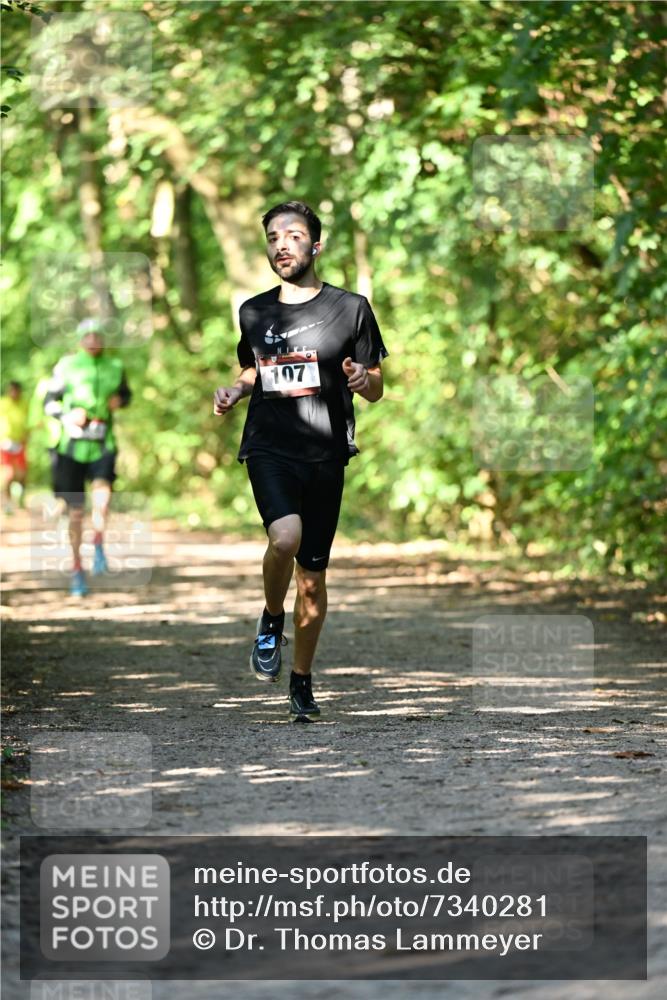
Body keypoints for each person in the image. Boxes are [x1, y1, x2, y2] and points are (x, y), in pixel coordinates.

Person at [214, 200, 388, 721]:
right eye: (272, 237)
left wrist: (363, 381)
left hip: (326, 454)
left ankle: (302, 679)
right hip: (269, 445)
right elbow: (254, 370)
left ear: (316, 244)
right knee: (283, 538)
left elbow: (377, 385)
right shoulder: (254, 311)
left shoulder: (352, 308)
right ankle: (271, 618)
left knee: (312, 581)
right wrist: (235, 391)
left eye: (291, 235)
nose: (280, 244)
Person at [43, 319, 132, 596]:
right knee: (76, 513)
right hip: (71, 447)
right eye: (87, 336)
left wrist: (120, 401)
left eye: (97, 335)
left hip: (103, 442)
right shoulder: (66, 366)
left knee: (102, 498)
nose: (93, 340)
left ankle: (98, 542)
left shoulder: (115, 367)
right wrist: (68, 415)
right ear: (80, 339)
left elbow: (126, 395)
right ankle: (78, 569)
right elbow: (48, 403)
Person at [0, 381, 29, 512]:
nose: (13, 393)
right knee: (8, 474)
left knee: (22, 474)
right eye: (11, 390)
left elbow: (30, 421)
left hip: (20, 443)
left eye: (16, 391)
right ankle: (8, 504)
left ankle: (21, 498)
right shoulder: (3, 403)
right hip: (5, 443)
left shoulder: (25, 404)